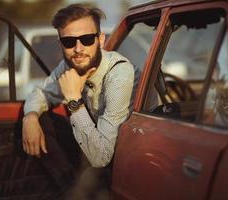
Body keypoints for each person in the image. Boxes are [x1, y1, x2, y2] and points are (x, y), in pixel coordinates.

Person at [21, 4, 139, 197]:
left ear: (100, 39)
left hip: (127, 157)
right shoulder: (69, 65)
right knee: (43, 120)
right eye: (69, 42)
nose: (78, 49)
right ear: (60, 43)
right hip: (95, 146)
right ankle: (71, 189)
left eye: (86, 39)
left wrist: (74, 99)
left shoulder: (119, 73)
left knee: (90, 176)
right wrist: (30, 117)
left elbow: (102, 158)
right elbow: (41, 93)